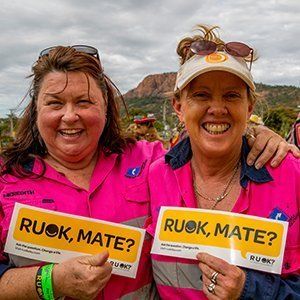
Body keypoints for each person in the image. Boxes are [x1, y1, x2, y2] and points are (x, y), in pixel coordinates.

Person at [0, 45, 297, 300]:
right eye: (54, 103)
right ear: (35, 110)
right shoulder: (5, 180)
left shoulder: (151, 163)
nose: (70, 115)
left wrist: (255, 134)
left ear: (106, 108)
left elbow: (205, 143)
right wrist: (49, 282)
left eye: (84, 102)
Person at [148, 25, 300, 299]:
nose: (217, 109)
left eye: (231, 96)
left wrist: (249, 289)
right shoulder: (156, 175)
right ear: (179, 108)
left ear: (249, 108)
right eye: (201, 95)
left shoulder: (290, 173)